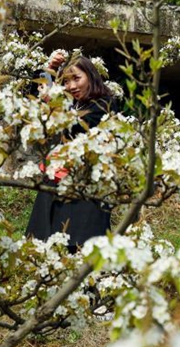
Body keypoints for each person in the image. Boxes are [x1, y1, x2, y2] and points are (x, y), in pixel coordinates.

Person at [26, 54, 116, 252]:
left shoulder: (105, 103)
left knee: (83, 245)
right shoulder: (70, 104)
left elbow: (80, 127)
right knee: (44, 242)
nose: (71, 86)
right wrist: (49, 69)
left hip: (87, 186)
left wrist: (56, 104)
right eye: (65, 81)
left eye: (77, 78)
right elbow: (34, 99)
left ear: (91, 76)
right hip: (56, 180)